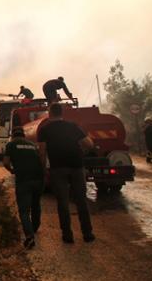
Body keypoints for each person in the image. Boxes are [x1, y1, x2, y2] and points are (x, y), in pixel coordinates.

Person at [38, 103, 95, 243]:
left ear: (50, 113)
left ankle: (67, 235)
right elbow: (89, 144)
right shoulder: (73, 126)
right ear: (62, 113)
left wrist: (44, 169)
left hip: (58, 169)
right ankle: (87, 234)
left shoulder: (44, 129)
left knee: (63, 202)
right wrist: (82, 153)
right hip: (77, 166)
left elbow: (42, 152)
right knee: (81, 200)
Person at [4, 127, 44, 249]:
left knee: (24, 210)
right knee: (36, 204)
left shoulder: (11, 145)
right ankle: (35, 228)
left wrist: (12, 170)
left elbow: (6, 162)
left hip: (23, 181)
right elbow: (41, 159)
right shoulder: (32, 145)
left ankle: (29, 236)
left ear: (13, 135)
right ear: (23, 135)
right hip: (38, 179)